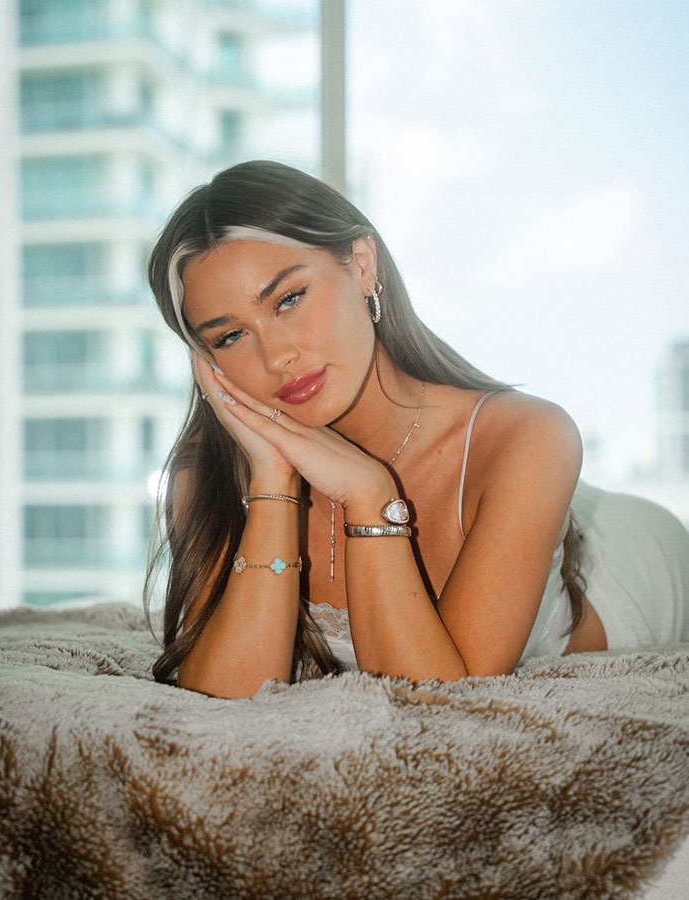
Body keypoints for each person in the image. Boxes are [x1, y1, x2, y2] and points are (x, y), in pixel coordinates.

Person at [144, 159, 689, 699]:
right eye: (230, 337)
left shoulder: (530, 435)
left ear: (361, 264)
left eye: (288, 299)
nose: (277, 356)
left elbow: (438, 701)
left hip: (626, 563)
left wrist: (368, 493)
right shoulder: (207, 476)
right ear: (205, 361)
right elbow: (225, 699)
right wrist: (275, 481)